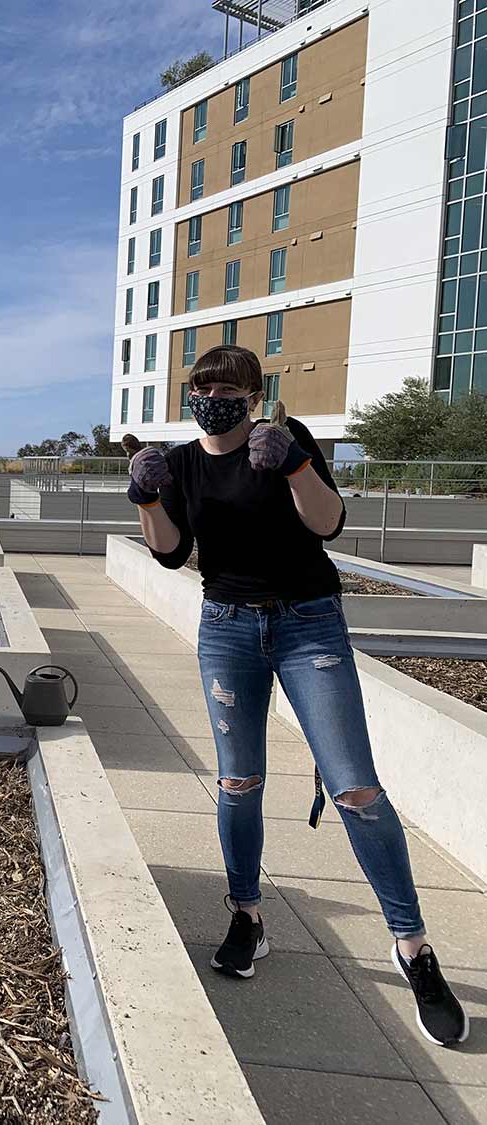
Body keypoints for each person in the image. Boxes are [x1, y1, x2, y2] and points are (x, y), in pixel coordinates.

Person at [128, 345, 468, 1046]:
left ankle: (412, 947)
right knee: (238, 781)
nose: (212, 393)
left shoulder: (283, 442)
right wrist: (146, 496)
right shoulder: (182, 462)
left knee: (356, 789)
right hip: (225, 627)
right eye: (201, 383)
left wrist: (295, 464)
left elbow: (327, 523)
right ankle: (247, 917)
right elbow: (167, 550)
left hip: (308, 623)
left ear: (255, 395)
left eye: (228, 384)